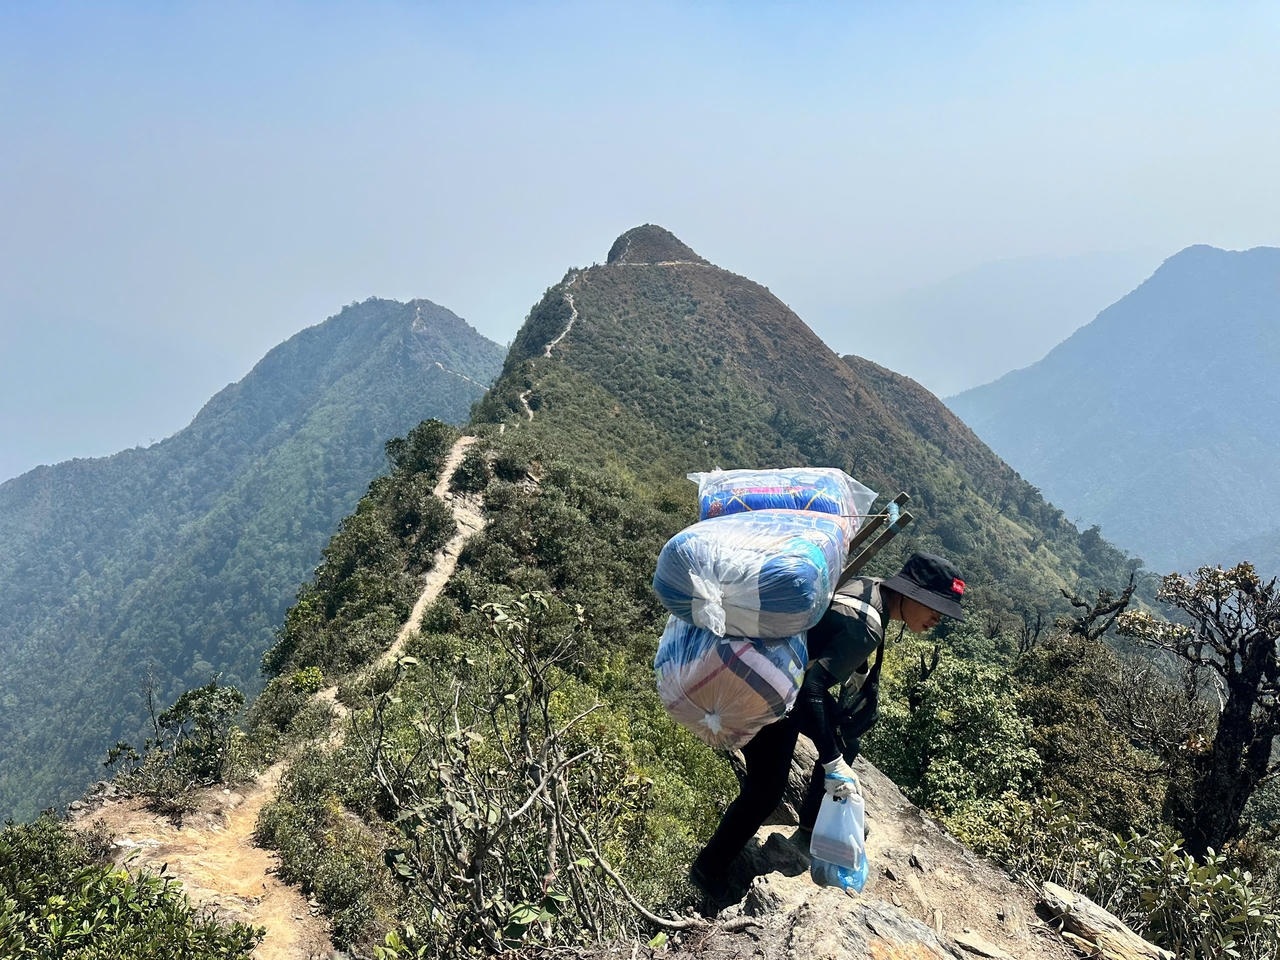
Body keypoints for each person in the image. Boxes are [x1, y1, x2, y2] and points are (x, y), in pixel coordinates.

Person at [690, 551, 966, 899]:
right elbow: (810, 691)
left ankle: (809, 827)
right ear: (912, 594)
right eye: (934, 610)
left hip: (769, 668)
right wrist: (832, 761)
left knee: (846, 740)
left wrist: (853, 689)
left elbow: (831, 637)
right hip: (770, 688)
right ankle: (707, 870)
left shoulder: (870, 588)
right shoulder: (867, 625)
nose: (935, 620)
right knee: (766, 791)